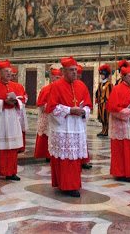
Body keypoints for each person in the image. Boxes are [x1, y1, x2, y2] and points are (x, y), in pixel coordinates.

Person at [46, 56, 92, 197]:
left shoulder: (82, 86)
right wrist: (70, 110)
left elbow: (89, 105)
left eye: (75, 70)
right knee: (65, 159)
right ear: (64, 71)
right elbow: (52, 108)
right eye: (71, 70)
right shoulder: (56, 86)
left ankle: (72, 184)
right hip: (63, 128)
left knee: (74, 159)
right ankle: (65, 184)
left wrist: (84, 111)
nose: (74, 73)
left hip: (77, 128)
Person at [106, 64, 130, 182]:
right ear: (124, 77)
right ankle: (120, 173)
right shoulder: (117, 89)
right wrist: (128, 113)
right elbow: (112, 108)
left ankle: (129, 173)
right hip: (120, 126)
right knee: (120, 150)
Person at [34, 68, 61, 161]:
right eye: (57, 77)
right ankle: (47, 155)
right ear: (52, 77)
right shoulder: (46, 89)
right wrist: (52, 107)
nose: (58, 79)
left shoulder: (61, 88)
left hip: (58, 116)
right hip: (47, 116)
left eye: (60, 77)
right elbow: (41, 104)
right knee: (46, 134)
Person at [9, 64, 28, 153]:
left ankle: (20, 147)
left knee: (20, 128)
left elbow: (25, 97)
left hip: (19, 109)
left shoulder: (19, 86)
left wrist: (19, 100)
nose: (13, 77)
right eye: (11, 75)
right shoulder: (6, 85)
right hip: (10, 111)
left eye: (14, 75)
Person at [95, 64, 113, 137]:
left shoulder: (109, 84)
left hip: (106, 103)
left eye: (103, 75)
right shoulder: (100, 84)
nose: (101, 76)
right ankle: (103, 129)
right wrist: (97, 99)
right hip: (100, 103)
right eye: (101, 74)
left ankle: (106, 131)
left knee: (106, 118)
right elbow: (97, 92)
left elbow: (111, 94)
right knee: (102, 118)